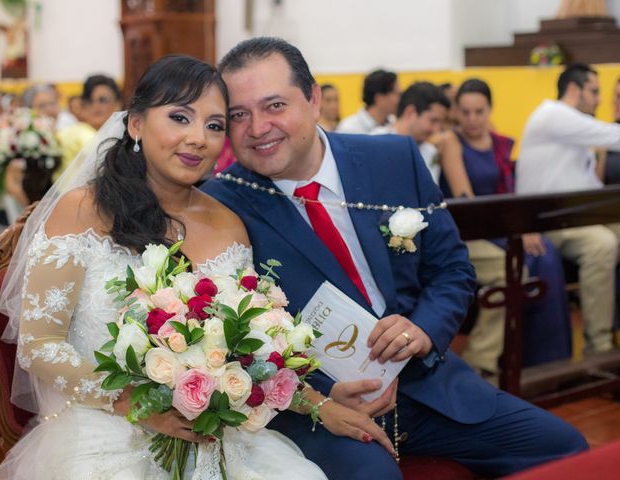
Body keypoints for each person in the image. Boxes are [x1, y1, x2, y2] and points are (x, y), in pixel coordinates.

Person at [202, 36, 588, 480]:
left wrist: (423, 329)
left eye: (274, 106)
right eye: (238, 115)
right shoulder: (221, 204)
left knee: (568, 451)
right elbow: (227, 338)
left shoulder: (392, 158)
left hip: (428, 384)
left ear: (313, 99)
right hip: (319, 410)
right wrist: (322, 397)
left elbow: (452, 270)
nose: (257, 128)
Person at [0, 55, 326, 480]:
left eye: (215, 125)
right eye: (180, 117)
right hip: (103, 425)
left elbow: (253, 343)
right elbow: (39, 345)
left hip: (214, 432)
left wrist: (316, 403)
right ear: (135, 124)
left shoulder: (228, 223)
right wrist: (137, 403)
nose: (198, 138)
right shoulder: (82, 211)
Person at [437, 78, 572, 372]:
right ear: (456, 112)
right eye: (466, 112)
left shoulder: (497, 141)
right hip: (473, 229)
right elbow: (468, 203)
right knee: (522, 261)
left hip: (502, 223)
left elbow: (511, 190)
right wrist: (515, 230)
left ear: (489, 110)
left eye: (479, 111)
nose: (473, 119)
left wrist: (524, 227)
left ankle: (544, 359)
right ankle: (490, 361)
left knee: (546, 253)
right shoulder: (451, 142)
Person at [516, 63, 620, 354]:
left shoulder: (570, 126)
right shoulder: (554, 114)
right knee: (602, 244)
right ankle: (598, 347)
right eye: (595, 91)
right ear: (574, 90)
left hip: (571, 216)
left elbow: (588, 184)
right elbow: (613, 136)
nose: (599, 99)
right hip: (543, 221)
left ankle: (612, 330)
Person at [372, 81, 450, 183]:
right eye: (433, 120)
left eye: (440, 123)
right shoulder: (374, 143)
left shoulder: (430, 151)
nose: (436, 130)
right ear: (410, 112)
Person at [56, 74, 123, 176]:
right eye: (90, 100)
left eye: (103, 100)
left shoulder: (128, 135)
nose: (96, 106)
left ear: (118, 104)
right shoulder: (75, 133)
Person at [336, 69, 399, 133]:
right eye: (396, 94)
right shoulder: (348, 129)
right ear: (379, 98)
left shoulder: (396, 125)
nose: (400, 99)